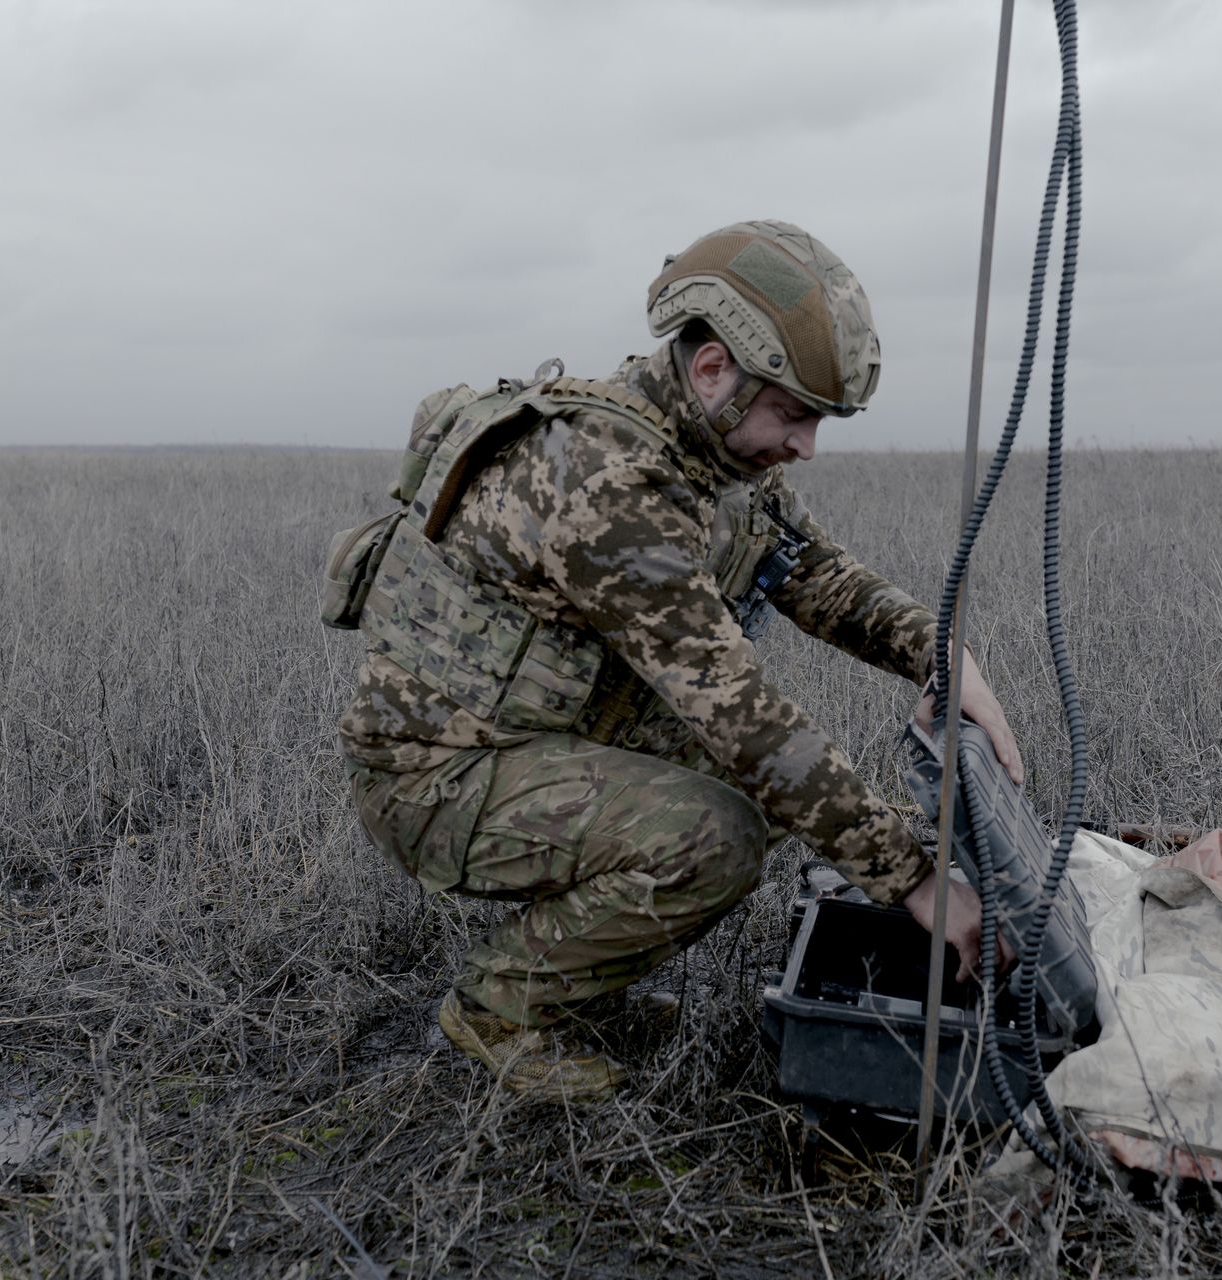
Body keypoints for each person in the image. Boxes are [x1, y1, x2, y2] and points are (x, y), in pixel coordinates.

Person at [337, 220, 1022, 1101]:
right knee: (720, 831)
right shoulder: (608, 481)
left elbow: (814, 574)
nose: (805, 447)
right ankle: (502, 1004)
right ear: (713, 373)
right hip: (438, 777)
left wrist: (939, 654)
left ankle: (582, 975)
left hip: (539, 737)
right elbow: (741, 718)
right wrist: (917, 882)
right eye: (794, 415)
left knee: (773, 805)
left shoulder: (709, 457)